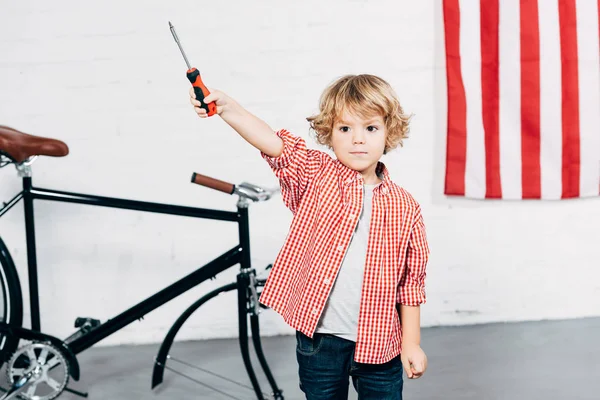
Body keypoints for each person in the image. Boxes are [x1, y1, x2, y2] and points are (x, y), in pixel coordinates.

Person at [189, 74, 429, 400]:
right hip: (321, 339)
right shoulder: (315, 174)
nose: (358, 139)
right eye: (345, 128)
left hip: (382, 341)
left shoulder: (405, 207)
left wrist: (411, 342)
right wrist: (227, 107)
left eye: (370, 128)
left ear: (389, 132)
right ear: (329, 132)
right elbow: (274, 144)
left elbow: (410, 284)